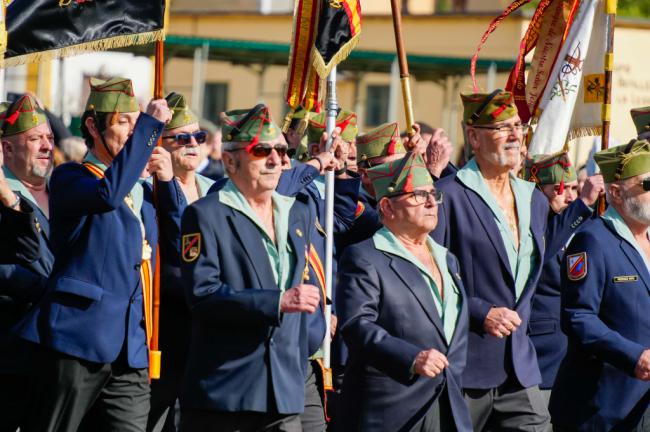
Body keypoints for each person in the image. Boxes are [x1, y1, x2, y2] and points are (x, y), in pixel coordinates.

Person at [18, 77, 179, 432]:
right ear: (93, 126)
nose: (134, 132)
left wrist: (168, 184)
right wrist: (150, 127)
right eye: (124, 123)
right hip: (79, 340)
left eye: (137, 123)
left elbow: (182, 243)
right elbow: (107, 195)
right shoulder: (71, 176)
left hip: (131, 348)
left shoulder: (143, 187)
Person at [179, 104, 319, 431]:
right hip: (226, 393)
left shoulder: (297, 213)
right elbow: (203, 296)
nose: (275, 159)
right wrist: (276, 301)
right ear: (230, 160)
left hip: (284, 391)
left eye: (281, 150)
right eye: (261, 150)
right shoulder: (205, 215)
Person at [432, 90, 551, 431]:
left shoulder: (534, 199)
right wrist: (480, 311)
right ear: (473, 137)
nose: (515, 135)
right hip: (465, 367)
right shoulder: (448, 196)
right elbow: (429, 278)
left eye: (517, 126)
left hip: (520, 369)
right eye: (502, 128)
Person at [337, 152, 472, 431]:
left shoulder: (447, 259)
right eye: (418, 195)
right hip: (391, 410)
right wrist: (411, 357)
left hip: (447, 404)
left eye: (433, 194)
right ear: (386, 206)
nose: (431, 202)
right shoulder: (364, 257)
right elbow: (356, 325)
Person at [550, 139, 650, 431]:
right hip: (603, 407)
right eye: (647, 185)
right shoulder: (593, 240)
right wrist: (633, 356)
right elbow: (578, 317)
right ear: (616, 192)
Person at [147, 93, 215, 432]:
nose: (193, 144)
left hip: (204, 316)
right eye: (182, 138)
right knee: (157, 413)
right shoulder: (149, 188)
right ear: (161, 145)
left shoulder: (215, 189)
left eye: (199, 137)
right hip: (164, 315)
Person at [524, 151, 604, 409]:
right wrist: (583, 203)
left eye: (573, 188)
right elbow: (544, 249)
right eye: (560, 189)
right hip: (544, 355)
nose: (570, 196)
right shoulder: (531, 226)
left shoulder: (583, 223)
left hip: (579, 354)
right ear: (538, 191)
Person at [0, 95, 55, 432]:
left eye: (50, 138)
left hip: (54, 354)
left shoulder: (65, 191)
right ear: (6, 151)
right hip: (10, 347)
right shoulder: (5, 192)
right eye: (35, 139)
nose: (47, 146)